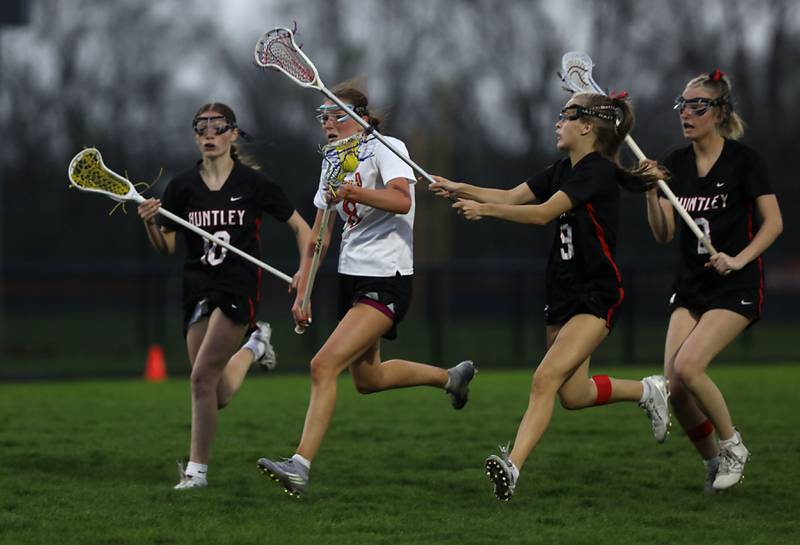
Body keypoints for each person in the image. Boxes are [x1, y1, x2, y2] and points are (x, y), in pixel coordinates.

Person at [430, 92, 670, 501]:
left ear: (587, 126)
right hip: (561, 293)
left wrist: (483, 211)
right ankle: (649, 391)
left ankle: (512, 466)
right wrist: (460, 188)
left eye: (566, 115)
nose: (557, 122)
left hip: (595, 294)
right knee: (573, 395)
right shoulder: (563, 168)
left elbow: (541, 213)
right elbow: (510, 196)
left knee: (543, 379)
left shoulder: (596, 172)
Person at [256, 85, 476, 498]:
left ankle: (299, 466)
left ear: (357, 116)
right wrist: (304, 286)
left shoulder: (387, 147)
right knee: (368, 379)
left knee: (323, 365)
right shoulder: (333, 163)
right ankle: (451, 378)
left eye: (332, 115)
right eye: (321, 117)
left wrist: (355, 192)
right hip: (351, 277)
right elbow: (320, 232)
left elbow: (401, 200)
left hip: (387, 276)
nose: (325, 123)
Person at [137, 102, 312, 489]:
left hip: (238, 285)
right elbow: (165, 246)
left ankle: (196, 473)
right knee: (213, 393)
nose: (210, 135)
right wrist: (152, 222)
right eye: (202, 128)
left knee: (199, 378)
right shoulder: (182, 186)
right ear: (196, 136)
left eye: (218, 128)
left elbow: (303, 229)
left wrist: (304, 273)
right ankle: (254, 345)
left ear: (233, 134)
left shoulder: (254, 184)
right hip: (196, 286)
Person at [644, 70, 782, 492]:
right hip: (691, 287)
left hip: (734, 286)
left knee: (688, 367)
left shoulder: (744, 161)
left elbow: (773, 224)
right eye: (682, 105)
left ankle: (733, 444)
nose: (686, 113)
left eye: (696, 106)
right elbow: (665, 234)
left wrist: (738, 259)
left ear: (719, 113)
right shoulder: (676, 164)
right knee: (676, 388)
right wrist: (652, 191)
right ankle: (713, 461)